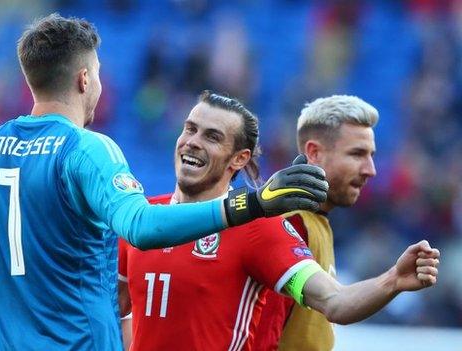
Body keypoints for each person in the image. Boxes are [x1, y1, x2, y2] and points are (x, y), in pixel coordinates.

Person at [0, 14, 328, 350]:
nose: (100, 84)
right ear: (84, 79)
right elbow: (141, 226)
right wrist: (252, 205)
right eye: (99, 74)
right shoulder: (88, 150)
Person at [118, 91, 440, 351]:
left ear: (239, 159)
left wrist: (393, 280)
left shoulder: (259, 228)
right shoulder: (142, 218)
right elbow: (109, 311)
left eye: (212, 137)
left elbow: (334, 301)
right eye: (190, 129)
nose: (193, 141)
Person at [256, 95, 390, 351]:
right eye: (357, 154)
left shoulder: (317, 221)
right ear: (314, 153)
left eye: (371, 155)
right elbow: (262, 340)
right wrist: (394, 279)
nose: (370, 169)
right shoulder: (291, 225)